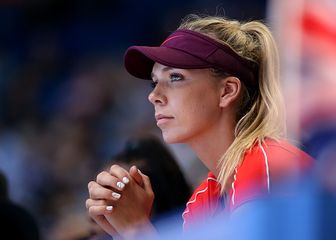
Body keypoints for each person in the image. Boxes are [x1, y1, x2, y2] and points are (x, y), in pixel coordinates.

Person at [86, 14, 313, 239]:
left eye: (175, 77)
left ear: (227, 91)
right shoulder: (204, 198)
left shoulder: (267, 166)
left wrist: (136, 229)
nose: (154, 96)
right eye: (155, 82)